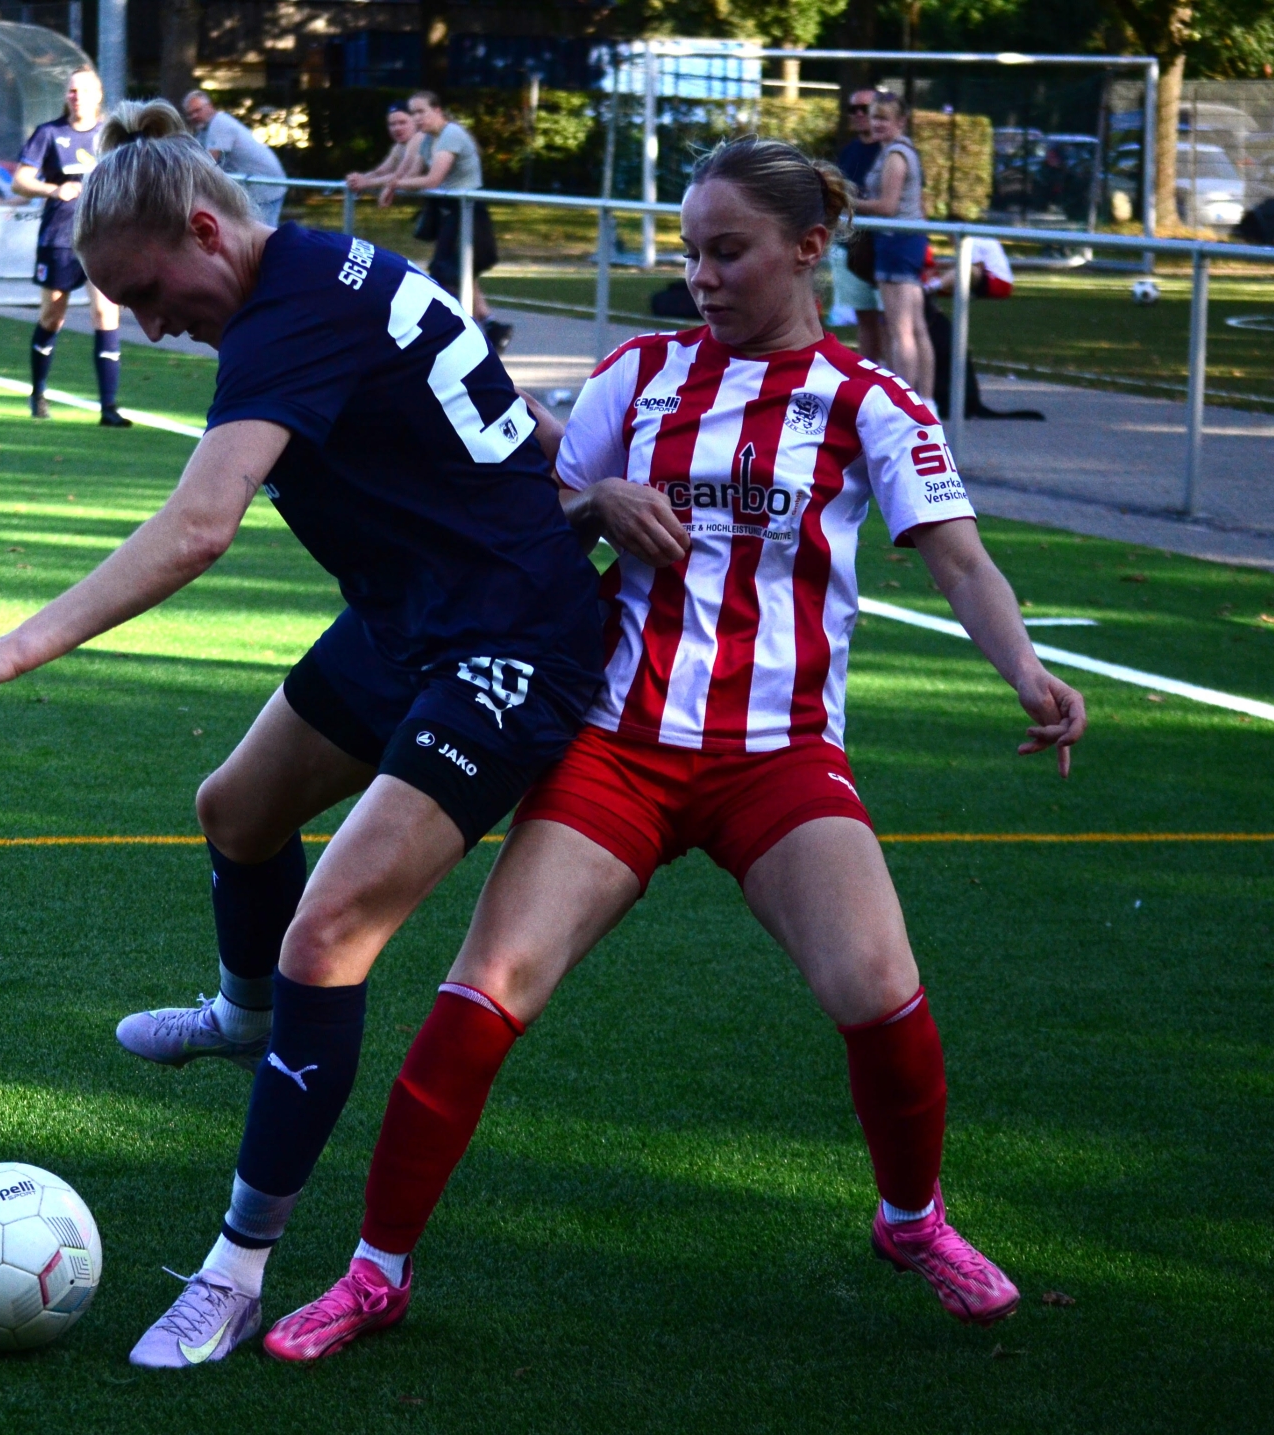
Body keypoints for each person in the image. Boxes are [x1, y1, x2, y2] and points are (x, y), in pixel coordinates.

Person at [261, 137, 1089, 1365]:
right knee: (485, 991)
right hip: (618, 746)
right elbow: (524, 522)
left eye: (728, 252)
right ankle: (375, 1272)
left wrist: (1029, 674)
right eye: (691, 251)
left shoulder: (871, 401)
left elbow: (960, 559)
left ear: (809, 249)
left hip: (778, 758)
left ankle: (912, 1219)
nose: (700, 276)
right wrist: (592, 501)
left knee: (879, 988)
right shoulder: (638, 374)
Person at [0, 98, 605, 1369]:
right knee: (236, 808)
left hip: (509, 642)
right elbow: (493, 398)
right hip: (416, 615)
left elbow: (199, 527)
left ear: (203, 228)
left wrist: (17, 646)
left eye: (148, 291)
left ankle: (236, 1271)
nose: (150, 323)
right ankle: (243, 1020)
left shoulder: (286, 313)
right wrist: (576, 481)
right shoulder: (324, 270)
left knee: (327, 936)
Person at [14, 67, 129, 425]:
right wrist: (54, 189)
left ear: (98, 95)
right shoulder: (49, 133)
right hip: (60, 237)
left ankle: (108, 408)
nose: (77, 97)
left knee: (105, 313)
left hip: (102, 238)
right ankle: (38, 392)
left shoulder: (112, 136)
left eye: (84, 91)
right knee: (53, 316)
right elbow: (20, 181)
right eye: (72, 91)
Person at [390, 92, 510, 354]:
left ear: (437, 110)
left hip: (469, 211)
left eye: (421, 111)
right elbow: (409, 175)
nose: (416, 118)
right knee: (458, 271)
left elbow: (432, 179)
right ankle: (490, 326)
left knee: (449, 273)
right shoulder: (428, 140)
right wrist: (379, 182)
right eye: (413, 113)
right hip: (451, 212)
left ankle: (461, 335)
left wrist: (392, 184)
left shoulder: (451, 134)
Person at [855, 96, 932, 401]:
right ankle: (925, 401)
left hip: (897, 241)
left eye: (884, 118)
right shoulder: (897, 150)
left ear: (901, 122)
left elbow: (887, 206)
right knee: (915, 326)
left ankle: (905, 402)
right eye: (874, 117)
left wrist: (846, 202)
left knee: (900, 329)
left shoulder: (895, 155)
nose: (877, 124)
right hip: (906, 241)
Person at [829, 87, 884, 351]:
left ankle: (897, 375)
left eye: (866, 108)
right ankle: (870, 372)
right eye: (854, 109)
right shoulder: (849, 151)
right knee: (865, 319)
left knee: (893, 322)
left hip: (884, 248)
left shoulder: (891, 151)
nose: (859, 114)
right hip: (851, 247)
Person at [183, 90, 288, 225]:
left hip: (265, 184)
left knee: (264, 231)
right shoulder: (205, 129)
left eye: (197, 110)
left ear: (210, 106)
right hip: (255, 184)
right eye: (190, 114)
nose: (194, 116)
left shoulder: (219, 123)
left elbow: (208, 162)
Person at [343, 102, 421, 210]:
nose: (397, 128)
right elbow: (381, 171)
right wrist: (358, 179)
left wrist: (366, 183)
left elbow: (402, 175)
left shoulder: (419, 138)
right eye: (392, 124)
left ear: (415, 122)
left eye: (402, 122)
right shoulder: (399, 146)